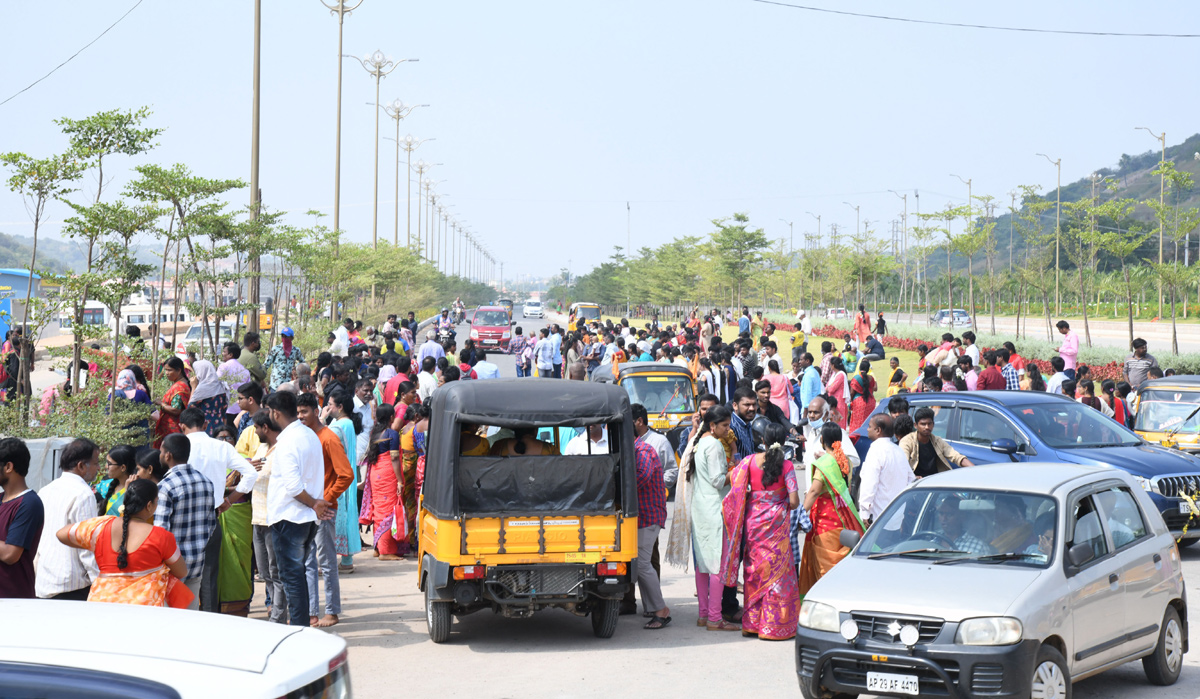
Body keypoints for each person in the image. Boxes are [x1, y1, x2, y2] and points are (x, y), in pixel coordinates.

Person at [56, 478, 192, 608]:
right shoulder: (161, 536)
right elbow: (181, 571)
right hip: (144, 611)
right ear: (149, 505)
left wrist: (93, 543)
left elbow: (61, 534)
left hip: (100, 606)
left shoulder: (101, 526)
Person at [720, 422, 800, 640]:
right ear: (784, 442)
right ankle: (773, 626)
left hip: (753, 522)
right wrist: (778, 502)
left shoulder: (748, 462)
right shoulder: (787, 467)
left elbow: (731, 483)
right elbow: (794, 501)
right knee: (777, 573)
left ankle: (752, 624)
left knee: (754, 569)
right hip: (776, 525)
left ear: (762, 441)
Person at [178, 408, 257, 614]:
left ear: (181, 427)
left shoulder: (178, 446)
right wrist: (228, 501)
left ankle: (182, 619)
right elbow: (250, 473)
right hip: (210, 517)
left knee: (179, 574)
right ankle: (210, 622)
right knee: (209, 575)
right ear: (205, 426)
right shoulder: (221, 447)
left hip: (181, 519)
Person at [265, 390, 333, 629]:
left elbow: (293, 486)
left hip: (291, 516)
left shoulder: (288, 440)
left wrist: (314, 503)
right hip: (303, 517)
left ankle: (299, 630)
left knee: (292, 577)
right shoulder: (310, 435)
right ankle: (302, 626)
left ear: (275, 413)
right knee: (297, 576)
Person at [296, 393, 351, 628]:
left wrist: (326, 500)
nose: (300, 417)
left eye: (304, 412)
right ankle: (311, 613)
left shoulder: (328, 438)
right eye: (298, 413)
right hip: (306, 507)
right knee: (308, 562)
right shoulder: (304, 437)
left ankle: (332, 611)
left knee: (326, 562)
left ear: (316, 411)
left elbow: (346, 474)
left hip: (324, 509)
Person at [686, 406, 739, 631]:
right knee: (717, 564)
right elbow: (718, 481)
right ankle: (715, 618)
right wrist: (737, 471)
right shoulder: (715, 445)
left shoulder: (698, 444)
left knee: (703, 565)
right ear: (712, 425)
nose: (728, 430)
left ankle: (704, 614)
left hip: (699, 507)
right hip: (714, 509)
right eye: (725, 426)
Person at [798, 423, 864, 597]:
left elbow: (813, 491)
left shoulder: (824, 462)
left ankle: (827, 599)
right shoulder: (845, 461)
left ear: (822, 440)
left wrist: (800, 514)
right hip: (843, 520)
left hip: (826, 523)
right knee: (840, 563)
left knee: (826, 567)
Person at [31, 439, 100, 602]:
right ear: (81, 466)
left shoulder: (45, 491)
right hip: (72, 586)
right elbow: (86, 544)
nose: (99, 468)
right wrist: (98, 582)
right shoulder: (83, 494)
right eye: (96, 463)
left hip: (44, 581)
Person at [153, 433, 216, 610]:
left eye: (161, 451)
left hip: (172, 568)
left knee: (168, 622)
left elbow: (160, 533)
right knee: (191, 617)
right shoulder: (206, 482)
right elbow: (211, 524)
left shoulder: (166, 486)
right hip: (196, 562)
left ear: (168, 455)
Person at [247, 409, 287, 623]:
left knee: (276, 570)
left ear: (265, 428)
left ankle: (279, 614)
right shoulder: (262, 447)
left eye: (256, 428)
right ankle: (275, 607)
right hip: (258, 518)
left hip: (274, 520)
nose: (254, 432)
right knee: (264, 571)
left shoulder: (282, 450)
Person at [634, 437, 670, 630]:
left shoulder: (642, 451)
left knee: (642, 564)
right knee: (640, 565)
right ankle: (653, 608)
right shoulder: (636, 450)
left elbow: (641, 477)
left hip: (648, 515)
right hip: (642, 516)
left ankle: (660, 610)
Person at [325, 391, 364, 573]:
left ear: (340, 407)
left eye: (331, 404)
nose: (328, 407)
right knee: (347, 513)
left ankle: (331, 561)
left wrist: (322, 418)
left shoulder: (338, 426)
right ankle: (347, 561)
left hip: (337, 475)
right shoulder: (348, 424)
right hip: (348, 473)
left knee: (336, 517)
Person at [856, 415, 914, 525]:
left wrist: (864, 514)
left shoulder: (876, 451)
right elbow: (911, 479)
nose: (867, 429)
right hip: (896, 518)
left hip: (877, 520)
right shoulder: (898, 450)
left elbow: (869, 485)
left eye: (869, 427)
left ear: (878, 430)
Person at [901, 407, 975, 478]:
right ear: (915, 425)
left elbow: (956, 456)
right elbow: (902, 464)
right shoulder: (907, 441)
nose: (927, 427)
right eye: (923, 424)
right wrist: (913, 477)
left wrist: (975, 469)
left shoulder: (937, 441)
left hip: (935, 483)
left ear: (933, 424)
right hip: (916, 485)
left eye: (929, 424)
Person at [632, 404, 677, 490]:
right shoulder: (625, 442)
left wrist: (655, 484)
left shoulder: (660, 441)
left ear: (640, 421)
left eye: (629, 423)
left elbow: (672, 470)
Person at [154, 357, 192, 447]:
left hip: (172, 429)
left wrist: (161, 404)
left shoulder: (180, 387)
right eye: (165, 370)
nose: (166, 373)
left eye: (169, 370)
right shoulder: (179, 383)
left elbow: (176, 410)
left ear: (179, 370)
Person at [189, 360, 229, 437]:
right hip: (219, 426)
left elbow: (190, 409)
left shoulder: (202, 389)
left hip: (204, 427)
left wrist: (193, 387)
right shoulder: (221, 386)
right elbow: (224, 412)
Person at [97, 444, 138, 517]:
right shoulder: (106, 485)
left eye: (109, 463)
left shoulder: (138, 490)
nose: (106, 466)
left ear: (123, 468)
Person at [847, 359, 876, 434]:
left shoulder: (856, 378)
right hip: (870, 402)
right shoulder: (871, 378)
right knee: (868, 422)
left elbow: (852, 393)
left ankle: (856, 437)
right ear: (868, 369)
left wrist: (850, 401)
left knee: (858, 423)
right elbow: (872, 390)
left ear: (859, 368)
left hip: (859, 402)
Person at [823, 357, 849, 429]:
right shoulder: (834, 374)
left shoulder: (841, 375)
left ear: (833, 365)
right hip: (832, 401)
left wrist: (828, 387)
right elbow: (827, 387)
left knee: (839, 422)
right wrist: (828, 387)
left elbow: (831, 389)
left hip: (839, 401)